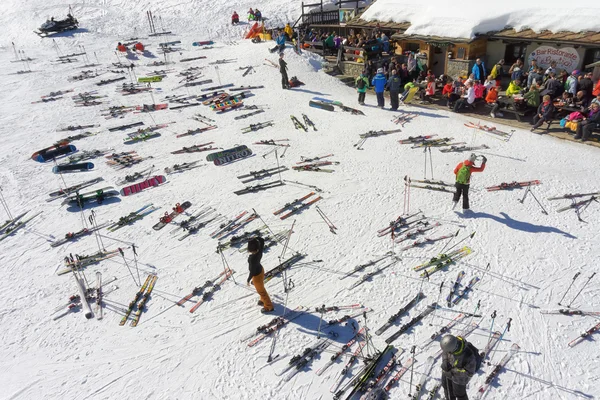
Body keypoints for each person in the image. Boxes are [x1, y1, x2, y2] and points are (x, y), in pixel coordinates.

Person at [440, 335, 479, 400]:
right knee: (446, 387)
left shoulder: (469, 356)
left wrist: (452, 371)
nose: (448, 352)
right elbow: (445, 352)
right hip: (447, 372)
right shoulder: (451, 345)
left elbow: (469, 373)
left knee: (459, 394)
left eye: (449, 352)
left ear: (453, 349)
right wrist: (445, 361)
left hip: (459, 379)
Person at [247, 237, 274, 313]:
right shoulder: (259, 251)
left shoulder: (252, 259)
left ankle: (269, 307)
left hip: (256, 277)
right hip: (261, 271)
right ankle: (263, 300)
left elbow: (252, 271)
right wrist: (256, 238)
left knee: (261, 291)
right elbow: (262, 240)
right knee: (261, 289)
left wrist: (248, 279)